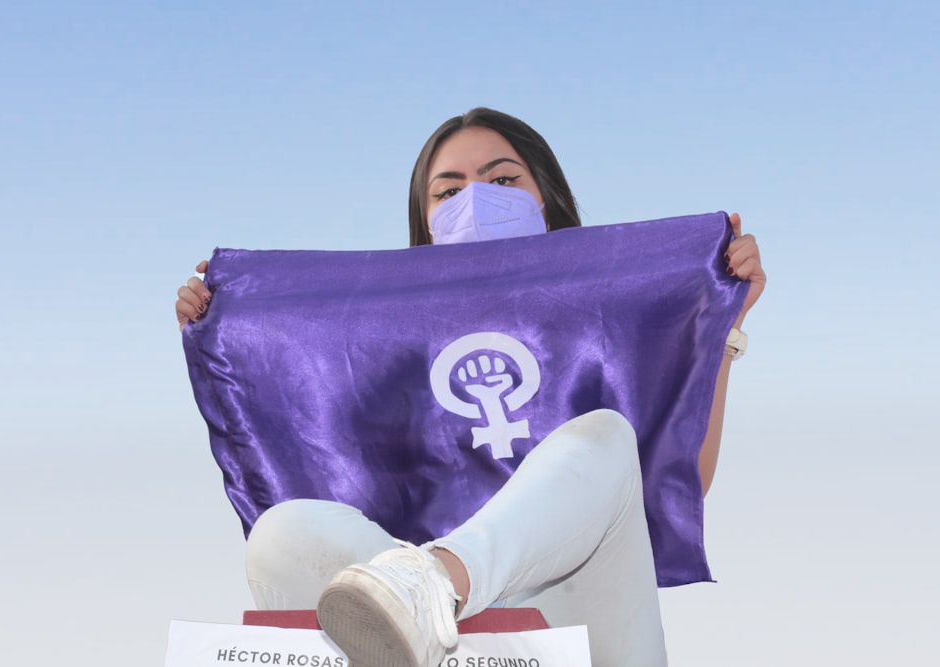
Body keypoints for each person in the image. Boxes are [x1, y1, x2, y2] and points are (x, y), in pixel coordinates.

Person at [175, 108, 765, 667]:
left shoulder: (609, 313)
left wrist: (720, 325)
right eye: (448, 191)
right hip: (442, 645)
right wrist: (227, 327)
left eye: (502, 179)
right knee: (281, 531)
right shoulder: (378, 343)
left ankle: (436, 585)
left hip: (579, 619)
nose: (475, 200)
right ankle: (418, 595)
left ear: (547, 201)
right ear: (425, 224)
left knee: (606, 436)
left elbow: (676, 477)